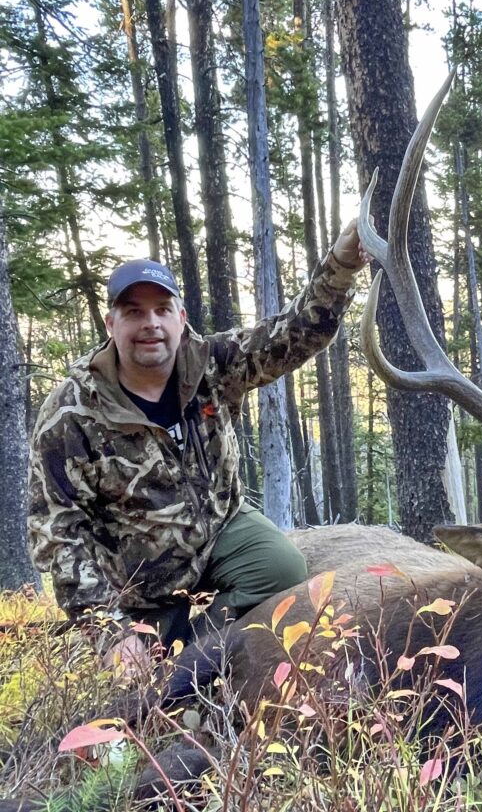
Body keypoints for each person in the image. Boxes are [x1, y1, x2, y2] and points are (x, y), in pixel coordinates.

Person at [26, 222, 367, 675]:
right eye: (133, 312)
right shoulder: (71, 413)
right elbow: (57, 531)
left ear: (180, 319)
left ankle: (198, 652)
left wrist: (341, 263)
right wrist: (111, 631)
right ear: (111, 324)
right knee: (135, 674)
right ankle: (172, 650)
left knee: (282, 568)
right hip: (139, 574)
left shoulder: (213, 363)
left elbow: (295, 334)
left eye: (162, 310)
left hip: (220, 527)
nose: (150, 324)